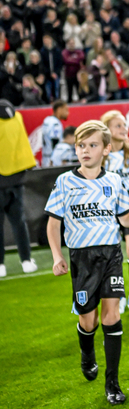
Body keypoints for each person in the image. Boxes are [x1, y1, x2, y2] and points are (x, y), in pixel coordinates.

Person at [45, 120, 129, 405]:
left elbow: (125, 219)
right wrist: (57, 256)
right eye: (81, 146)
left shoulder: (114, 181)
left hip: (111, 254)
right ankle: (87, 353)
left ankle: (112, 383)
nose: (85, 151)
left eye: (92, 145)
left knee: (112, 315)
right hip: (82, 259)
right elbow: (53, 224)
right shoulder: (64, 182)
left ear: (106, 149)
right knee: (89, 320)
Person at [102, 110, 129, 316]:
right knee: (112, 254)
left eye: (123, 124)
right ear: (107, 130)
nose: (123, 128)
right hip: (109, 205)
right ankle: (118, 296)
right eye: (118, 125)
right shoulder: (103, 156)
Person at [0, 99, 37, 278]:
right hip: (16, 179)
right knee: (19, 223)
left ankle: (0, 265)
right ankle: (26, 261)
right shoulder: (18, 117)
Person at [41, 99, 69, 167]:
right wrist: (54, 159)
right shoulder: (55, 124)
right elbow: (55, 142)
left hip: (45, 158)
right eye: (66, 110)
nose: (68, 113)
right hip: (52, 160)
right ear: (59, 110)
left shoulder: (47, 120)